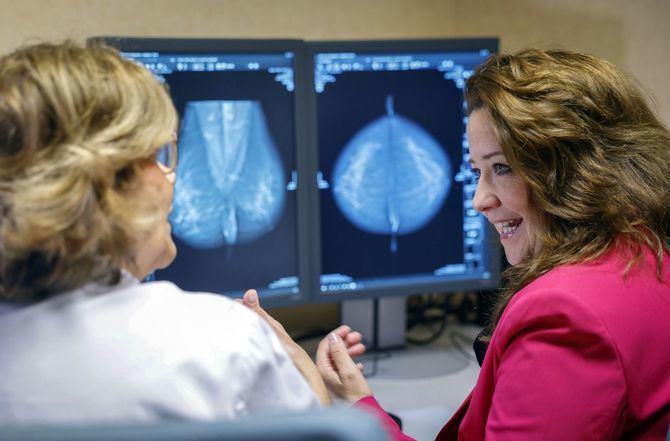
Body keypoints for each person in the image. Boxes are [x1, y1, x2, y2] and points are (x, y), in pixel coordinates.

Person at [249, 49, 670, 440]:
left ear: (581, 172)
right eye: (477, 171)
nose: (479, 200)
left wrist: (314, 397)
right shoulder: (646, 256)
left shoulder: (567, 316)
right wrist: (357, 404)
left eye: (502, 168)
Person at [0, 41, 351, 426]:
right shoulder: (223, 342)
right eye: (160, 154)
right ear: (113, 184)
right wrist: (303, 368)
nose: (173, 177)